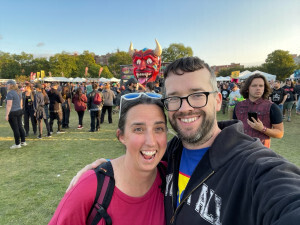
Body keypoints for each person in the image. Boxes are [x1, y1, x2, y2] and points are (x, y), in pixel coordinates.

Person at [68, 57, 300, 225]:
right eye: (174, 98)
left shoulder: (253, 166)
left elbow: (288, 200)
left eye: (197, 94)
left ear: (218, 100)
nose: (185, 107)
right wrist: (109, 166)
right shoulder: (169, 154)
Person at [49, 93, 167, 225]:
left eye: (158, 128)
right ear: (121, 136)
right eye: (138, 129)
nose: (151, 142)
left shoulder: (171, 176)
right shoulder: (90, 187)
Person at [233, 74, 284, 148]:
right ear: (247, 88)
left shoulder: (272, 107)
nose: (258, 88)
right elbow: (234, 128)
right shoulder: (238, 106)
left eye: (261, 86)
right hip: (241, 150)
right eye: (254, 85)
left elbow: (280, 133)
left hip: (260, 153)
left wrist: (262, 129)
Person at [5, 80, 27, 149]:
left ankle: (17, 144)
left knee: (15, 128)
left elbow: (9, 105)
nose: (6, 86)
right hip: (19, 111)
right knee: (20, 126)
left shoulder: (10, 93)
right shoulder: (18, 92)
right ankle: (23, 141)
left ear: (11, 85)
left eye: (7, 85)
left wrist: (6, 115)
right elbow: (21, 103)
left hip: (13, 112)